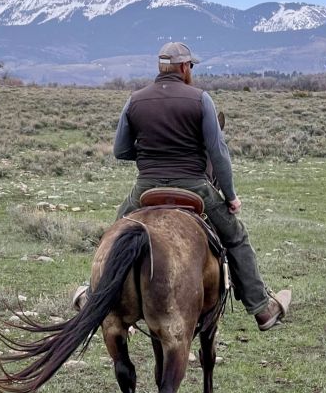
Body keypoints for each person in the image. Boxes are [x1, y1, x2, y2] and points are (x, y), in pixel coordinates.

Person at [76, 41, 291, 330]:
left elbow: (120, 150)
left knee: (113, 237)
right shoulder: (200, 99)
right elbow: (218, 153)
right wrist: (230, 196)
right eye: (190, 65)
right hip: (194, 187)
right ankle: (261, 308)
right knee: (237, 238)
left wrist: (148, 154)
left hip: (146, 187)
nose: (190, 70)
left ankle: (93, 298)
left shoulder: (135, 100)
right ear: (182, 67)